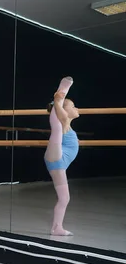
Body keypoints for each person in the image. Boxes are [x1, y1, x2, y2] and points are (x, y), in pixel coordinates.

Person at [44, 76, 80, 236]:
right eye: (73, 106)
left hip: (61, 163)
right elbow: (62, 118)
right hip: (57, 156)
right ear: (65, 110)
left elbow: (64, 117)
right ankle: (61, 93)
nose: (77, 108)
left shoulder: (68, 126)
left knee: (64, 198)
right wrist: (58, 101)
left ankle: (57, 227)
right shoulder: (64, 122)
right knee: (57, 127)